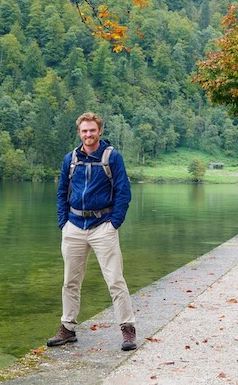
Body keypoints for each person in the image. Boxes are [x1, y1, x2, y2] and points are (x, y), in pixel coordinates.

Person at [47, 112, 137, 351]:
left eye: (92, 130)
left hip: (103, 226)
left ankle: (128, 330)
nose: (88, 134)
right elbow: (61, 193)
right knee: (70, 282)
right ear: (79, 133)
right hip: (74, 226)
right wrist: (63, 223)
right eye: (84, 130)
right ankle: (67, 328)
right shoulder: (71, 159)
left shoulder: (112, 157)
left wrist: (114, 222)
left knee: (115, 280)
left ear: (100, 131)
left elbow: (123, 192)